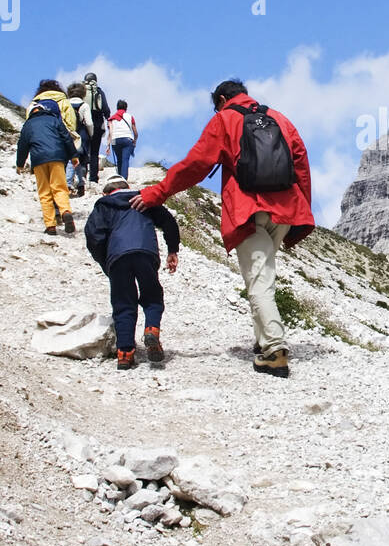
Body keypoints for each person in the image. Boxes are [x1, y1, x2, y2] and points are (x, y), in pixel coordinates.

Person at [133, 79, 313, 377]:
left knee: (258, 277)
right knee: (264, 273)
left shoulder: (224, 119)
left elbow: (196, 164)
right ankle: (261, 339)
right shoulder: (279, 118)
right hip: (285, 209)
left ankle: (275, 351)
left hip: (248, 209)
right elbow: (301, 164)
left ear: (220, 98)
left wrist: (158, 192)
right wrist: (301, 211)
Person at [85, 173, 180, 370]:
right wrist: (172, 250)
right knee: (152, 295)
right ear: (127, 186)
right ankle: (152, 330)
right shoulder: (143, 198)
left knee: (123, 302)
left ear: (106, 192)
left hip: (117, 257)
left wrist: (106, 262)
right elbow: (169, 222)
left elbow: (94, 236)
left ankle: (125, 354)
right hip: (146, 252)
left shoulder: (103, 204)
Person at [15, 97, 78, 235]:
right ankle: (65, 212)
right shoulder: (54, 120)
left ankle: (50, 226)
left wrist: (20, 164)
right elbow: (66, 138)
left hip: (38, 160)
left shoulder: (28, 125)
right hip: (57, 158)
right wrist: (73, 156)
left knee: (44, 192)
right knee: (60, 188)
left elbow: (22, 146)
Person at [83, 72, 110, 183]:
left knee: (84, 150)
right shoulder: (99, 91)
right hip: (98, 124)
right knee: (94, 152)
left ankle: (83, 174)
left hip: (84, 124)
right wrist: (107, 117)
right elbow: (106, 108)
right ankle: (93, 178)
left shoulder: (82, 91)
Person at [65, 82, 91, 197]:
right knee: (78, 159)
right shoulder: (84, 105)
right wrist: (91, 134)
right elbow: (89, 123)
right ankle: (80, 183)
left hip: (68, 134)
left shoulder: (65, 104)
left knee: (71, 159)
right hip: (81, 135)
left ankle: (68, 184)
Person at [106, 100, 138, 179]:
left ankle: (119, 178)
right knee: (125, 160)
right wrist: (134, 140)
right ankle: (124, 179)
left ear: (117, 107)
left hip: (115, 140)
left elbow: (110, 132)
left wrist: (108, 146)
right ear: (126, 108)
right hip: (127, 139)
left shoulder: (111, 118)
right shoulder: (130, 117)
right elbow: (135, 132)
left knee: (119, 159)